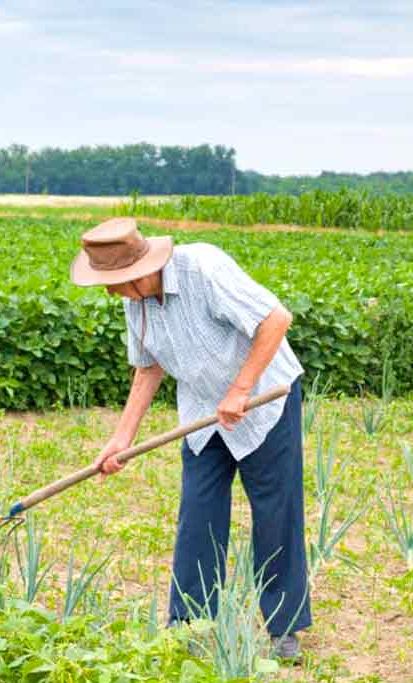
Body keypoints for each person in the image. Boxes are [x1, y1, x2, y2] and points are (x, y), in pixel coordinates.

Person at [70, 218, 310, 659]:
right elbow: (148, 367)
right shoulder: (136, 302)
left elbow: (276, 319)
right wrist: (121, 437)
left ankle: (284, 629)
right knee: (198, 515)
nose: (109, 292)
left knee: (276, 513)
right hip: (203, 413)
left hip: (262, 401)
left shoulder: (204, 269)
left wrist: (240, 390)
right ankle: (189, 624)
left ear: (140, 271)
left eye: (113, 282)